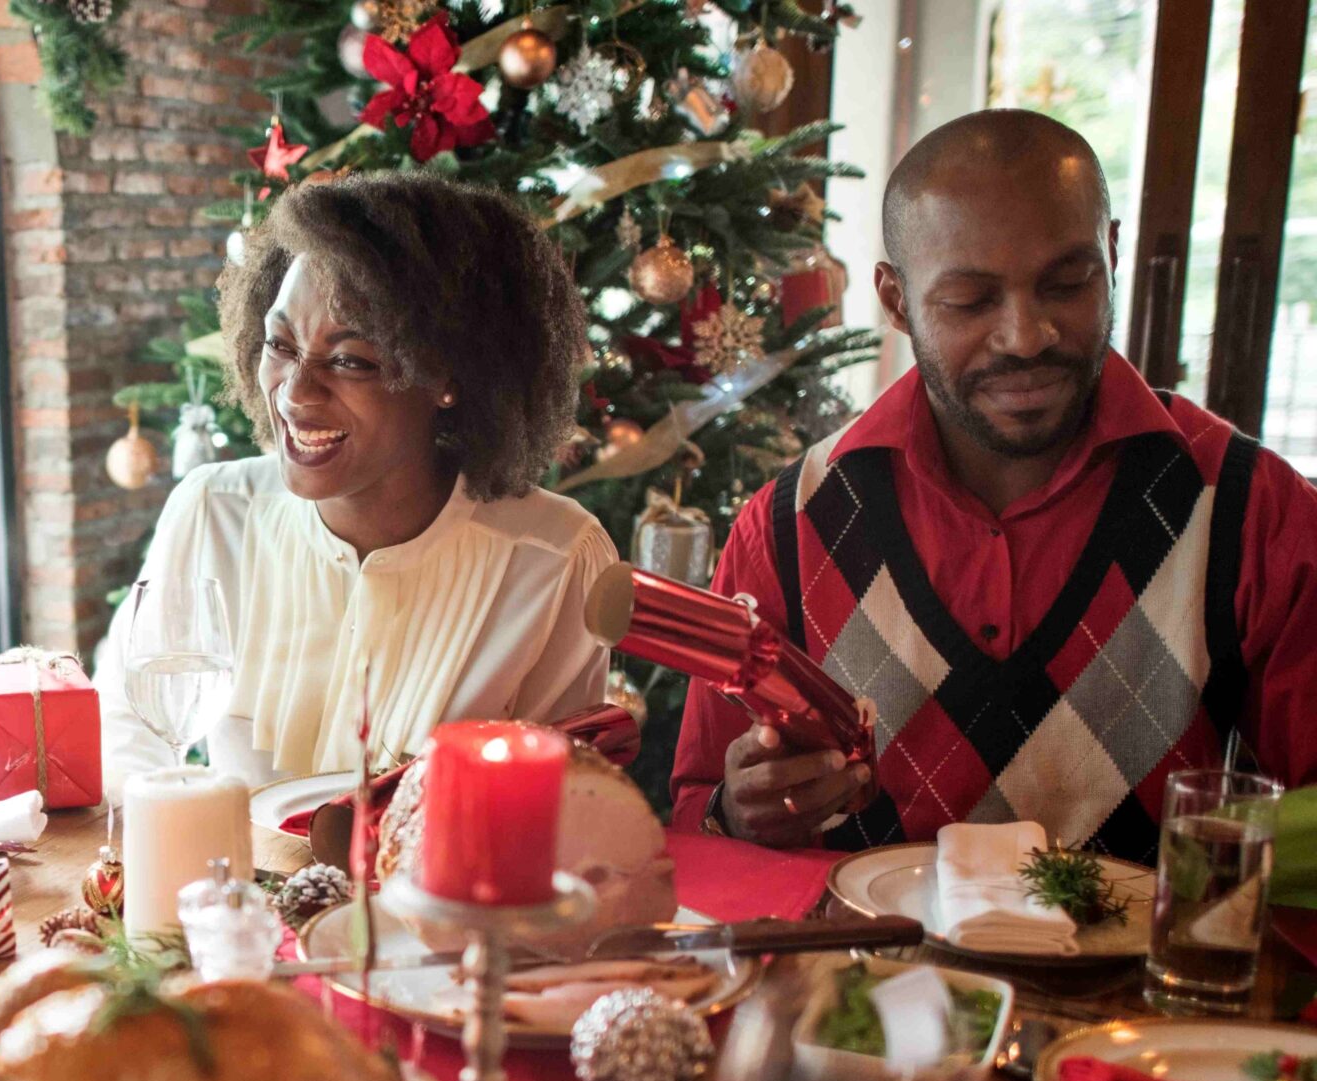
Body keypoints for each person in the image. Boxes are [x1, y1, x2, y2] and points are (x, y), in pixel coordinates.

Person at [671, 110, 1317, 857]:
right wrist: (739, 812)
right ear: (895, 300)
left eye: (1067, 282)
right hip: (863, 977)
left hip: (1140, 975)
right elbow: (698, 828)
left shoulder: (1250, 510)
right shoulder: (789, 526)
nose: (1026, 334)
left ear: (1112, 254)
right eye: (972, 301)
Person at [96, 170, 613, 793]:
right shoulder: (213, 511)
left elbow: (560, 808)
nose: (295, 391)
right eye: (280, 344)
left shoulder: (556, 562)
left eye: (350, 361)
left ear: (451, 376)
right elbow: (125, 730)